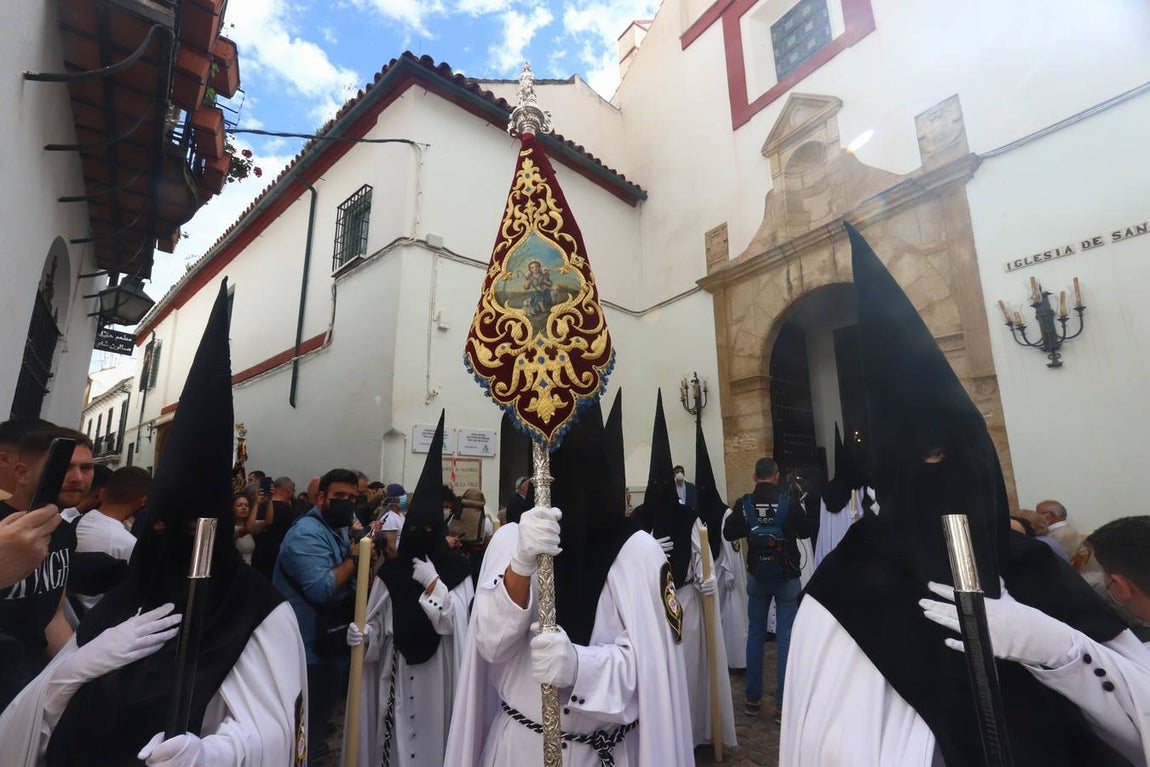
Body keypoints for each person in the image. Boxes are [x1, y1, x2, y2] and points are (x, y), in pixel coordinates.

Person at [781, 223, 1138, 766]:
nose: (944, 475)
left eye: (952, 454)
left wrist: (1053, 647)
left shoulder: (1036, 574)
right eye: (923, 460)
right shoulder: (843, 592)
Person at [0, 279, 307, 767]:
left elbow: (276, 732)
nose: (171, 538)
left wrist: (211, 755)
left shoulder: (257, 612)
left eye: (192, 530)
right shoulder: (128, 601)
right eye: (160, 526)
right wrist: (71, 671)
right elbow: (21, 728)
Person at [445, 392, 694, 766]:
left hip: (599, 751)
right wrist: (521, 564)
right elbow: (489, 644)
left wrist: (582, 666)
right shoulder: (511, 540)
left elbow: (654, 675)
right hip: (520, 747)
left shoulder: (639, 553)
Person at [345, 413, 475, 766]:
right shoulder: (391, 574)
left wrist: (434, 585)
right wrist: (365, 636)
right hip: (397, 681)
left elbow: (458, 627)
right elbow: (378, 627)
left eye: (430, 531)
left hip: (440, 685)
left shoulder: (458, 573)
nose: (422, 538)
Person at [0, 427, 94, 713]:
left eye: (86, 467)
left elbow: (52, 615)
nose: (77, 478)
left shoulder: (64, 533)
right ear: (22, 472)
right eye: (64, 466)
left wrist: (78, 670)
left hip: (30, 680)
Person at [274, 467, 360, 761]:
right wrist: (354, 561)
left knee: (317, 722)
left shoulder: (337, 529)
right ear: (321, 498)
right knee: (302, 731)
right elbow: (321, 588)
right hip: (306, 649)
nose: (346, 502)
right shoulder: (305, 534)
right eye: (340, 496)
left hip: (330, 643)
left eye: (352, 497)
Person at [722, 456, 810, 721]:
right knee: (785, 638)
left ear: (754, 477)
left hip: (758, 577)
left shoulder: (745, 504)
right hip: (787, 578)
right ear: (776, 475)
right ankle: (783, 704)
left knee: (756, 635)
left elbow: (728, 533)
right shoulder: (788, 503)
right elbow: (806, 532)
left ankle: (752, 698)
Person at [73, 466, 149, 612]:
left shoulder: (77, 522)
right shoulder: (128, 544)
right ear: (142, 501)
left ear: (102, 493)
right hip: (100, 623)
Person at [252, 476, 296, 578]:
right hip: (278, 557)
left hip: (256, 553)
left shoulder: (258, 507)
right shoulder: (291, 511)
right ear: (289, 492)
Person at [377, 483, 408, 560]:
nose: (404, 498)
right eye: (401, 495)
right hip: (396, 560)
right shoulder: (390, 518)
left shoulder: (400, 516)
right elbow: (390, 547)